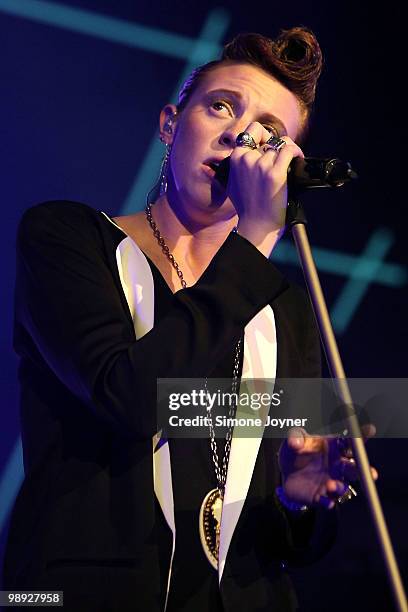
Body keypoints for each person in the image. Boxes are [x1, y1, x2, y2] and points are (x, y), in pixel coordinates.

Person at [2, 27, 377, 612]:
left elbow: (281, 545)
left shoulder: (285, 310)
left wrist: (297, 501)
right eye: (222, 106)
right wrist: (252, 239)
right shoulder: (68, 238)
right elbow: (127, 395)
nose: (239, 135)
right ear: (171, 123)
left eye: (269, 133)